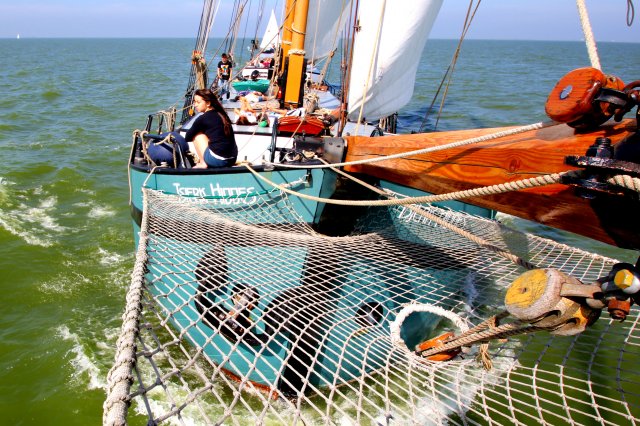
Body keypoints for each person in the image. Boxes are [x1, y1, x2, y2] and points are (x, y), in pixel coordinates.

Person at [185, 88, 237, 168]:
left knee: (197, 135)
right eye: (194, 102)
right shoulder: (222, 114)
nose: (195, 105)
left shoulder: (203, 118)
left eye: (198, 102)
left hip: (218, 161)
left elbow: (188, 137)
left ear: (208, 103)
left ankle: (203, 163)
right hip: (232, 159)